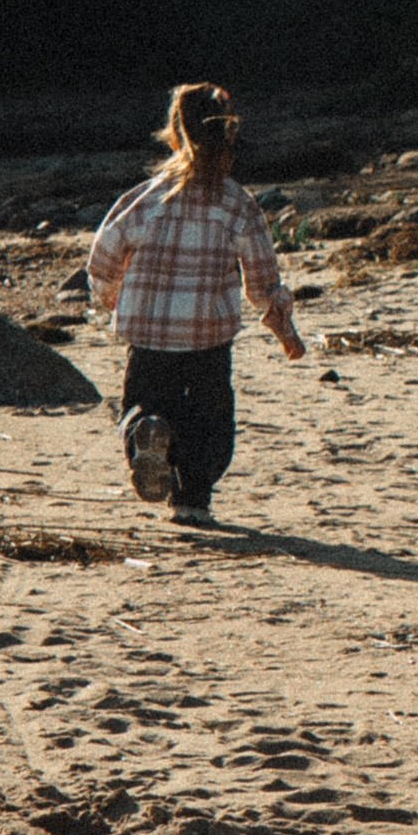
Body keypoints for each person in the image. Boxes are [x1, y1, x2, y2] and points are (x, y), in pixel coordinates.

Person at [87, 84, 305, 522]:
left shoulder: (145, 199)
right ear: (228, 135)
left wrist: (111, 300)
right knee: (210, 427)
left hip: (149, 336)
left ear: (174, 133)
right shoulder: (237, 204)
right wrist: (284, 329)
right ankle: (193, 500)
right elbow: (262, 279)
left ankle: (144, 431)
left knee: (144, 404)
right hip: (209, 338)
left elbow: (104, 257)